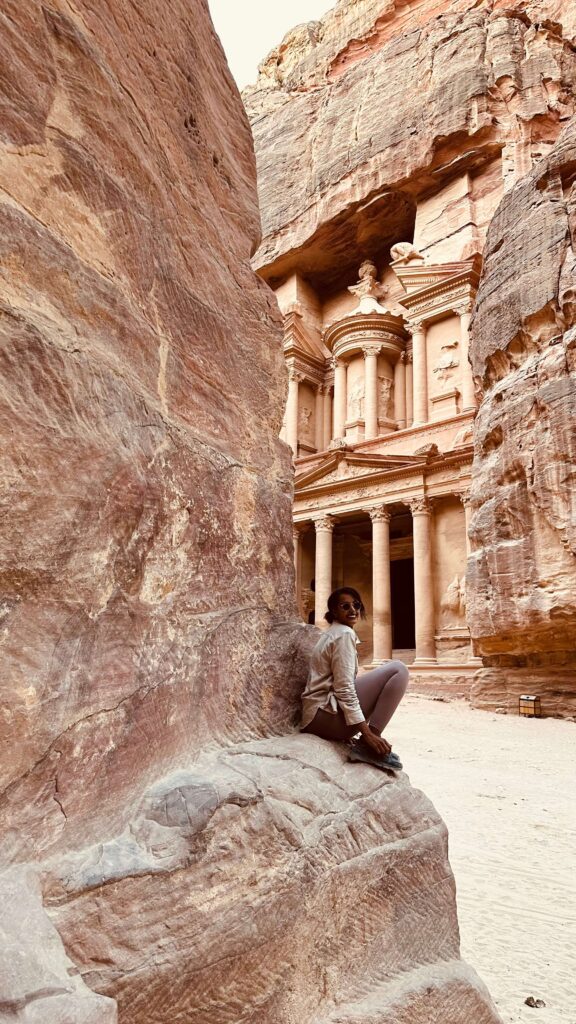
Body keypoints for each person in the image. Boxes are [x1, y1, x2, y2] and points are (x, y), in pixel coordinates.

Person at [301, 587, 409, 770]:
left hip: (317, 716)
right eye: (345, 606)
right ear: (334, 611)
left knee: (391, 671)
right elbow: (344, 688)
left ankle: (368, 743)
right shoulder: (343, 634)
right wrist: (367, 734)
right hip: (324, 717)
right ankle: (368, 746)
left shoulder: (335, 632)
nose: (353, 610)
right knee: (398, 670)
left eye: (356, 605)